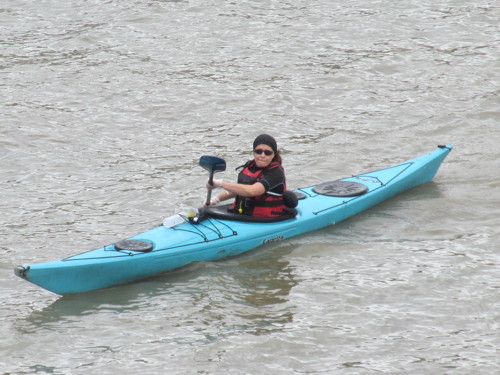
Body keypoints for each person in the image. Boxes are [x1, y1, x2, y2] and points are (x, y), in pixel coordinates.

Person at [206, 134, 287, 218]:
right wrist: (215, 200)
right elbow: (239, 190)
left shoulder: (276, 172)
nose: (262, 156)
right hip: (242, 213)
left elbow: (251, 191)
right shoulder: (250, 166)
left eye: (267, 153)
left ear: (273, 155)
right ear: (253, 153)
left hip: (266, 218)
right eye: (258, 151)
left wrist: (220, 184)